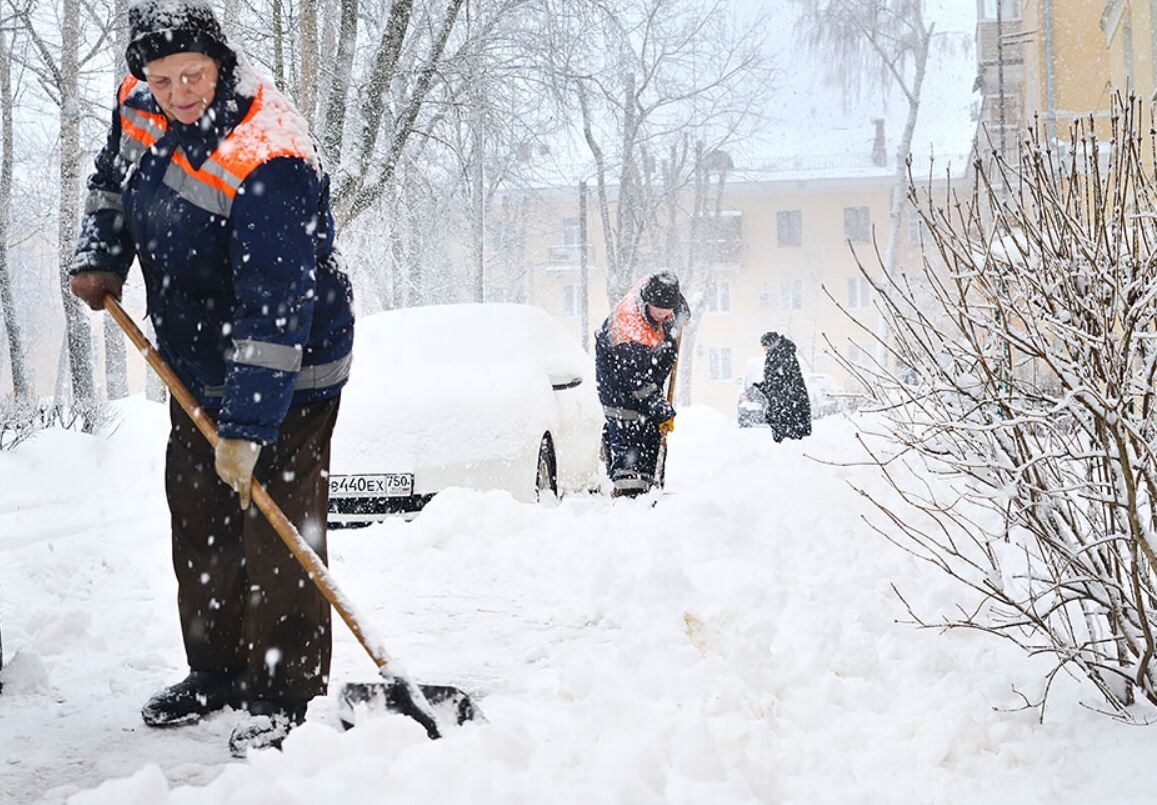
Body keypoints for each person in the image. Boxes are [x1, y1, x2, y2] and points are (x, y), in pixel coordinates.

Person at [69, 0, 354, 757]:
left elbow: (275, 306)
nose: (178, 93)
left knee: (277, 533)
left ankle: (287, 692)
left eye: (192, 75)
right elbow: (111, 180)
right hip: (195, 363)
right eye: (162, 80)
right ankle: (218, 670)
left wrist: (249, 428)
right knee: (200, 520)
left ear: (220, 63)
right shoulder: (139, 103)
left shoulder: (270, 155)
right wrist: (100, 252)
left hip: (289, 371)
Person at [595, 270, 688, 497]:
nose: (663, 316)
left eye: (668, 311)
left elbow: (673, 298)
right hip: (618, 386)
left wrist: (680, 313)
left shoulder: (654, 288)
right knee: (630, 442)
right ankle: (628, 496)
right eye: (659, 311)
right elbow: (638, 382)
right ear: (647, 302)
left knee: (652, 433)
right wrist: (661, 408)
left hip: (644, 375)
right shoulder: (629, 330)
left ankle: (651, 489)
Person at [756, 331, 811, 442]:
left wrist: (772, 388)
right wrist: (766, 387)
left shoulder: (782, 355)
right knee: (785, 436)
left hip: (788, 405)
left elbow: (787, 380)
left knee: (788, 438)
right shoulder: (780, 354)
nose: (764, 350)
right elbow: (778, 379)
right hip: (785, 403)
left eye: (765, 346)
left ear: (771, 343)